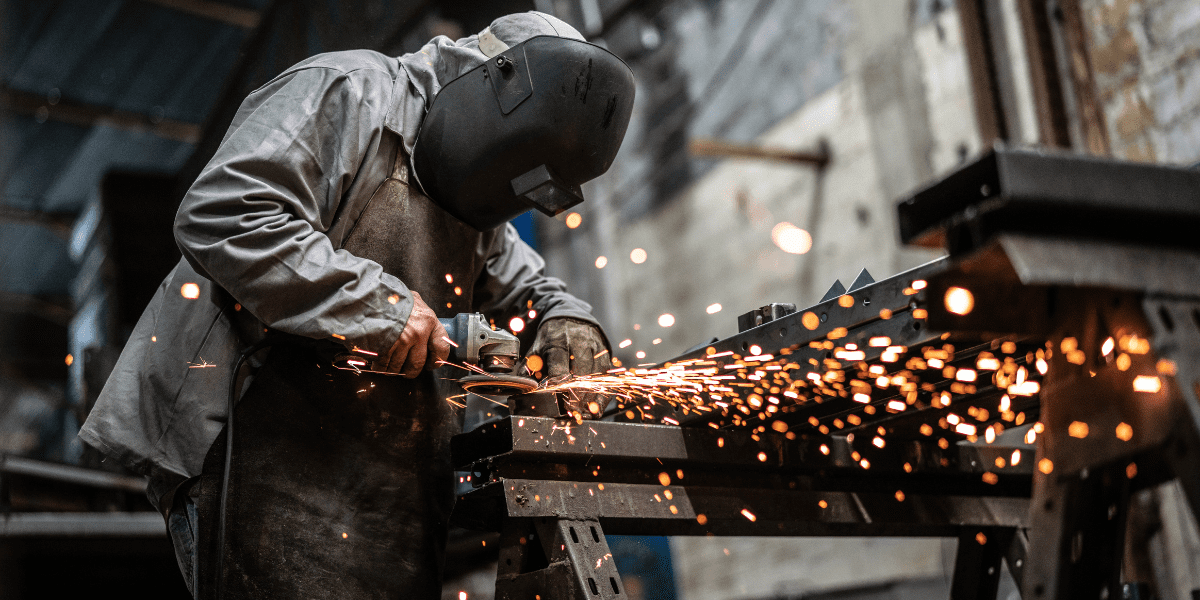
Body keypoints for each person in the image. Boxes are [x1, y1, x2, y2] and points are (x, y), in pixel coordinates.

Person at [79, 11, 634, 599]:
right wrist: (384, 310)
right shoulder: (349, 92)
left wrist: (567, 318)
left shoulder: (478, 193)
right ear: (490, 85)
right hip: (262, 450)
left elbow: (533, 286)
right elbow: (226, 211)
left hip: (391, 485)